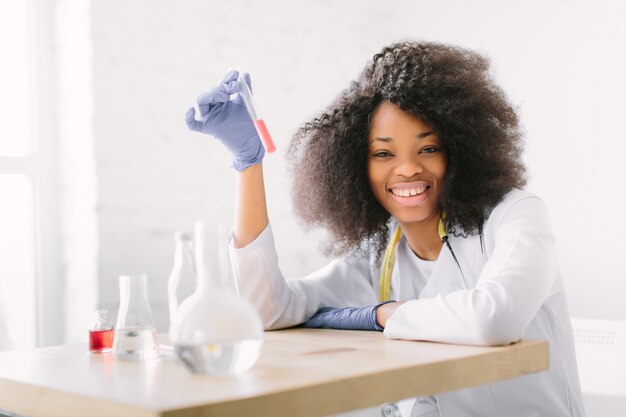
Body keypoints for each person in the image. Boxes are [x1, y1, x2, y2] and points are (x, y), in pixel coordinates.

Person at [185, 41, 585, 417]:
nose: (408, 168)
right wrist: (248, 164)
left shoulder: (515, 215)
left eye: (428, 148)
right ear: (356, 167)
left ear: (461, 150)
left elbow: (494, 320)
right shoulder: (382, 252)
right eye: (383, 153)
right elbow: (268, 311)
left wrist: (384, 315)